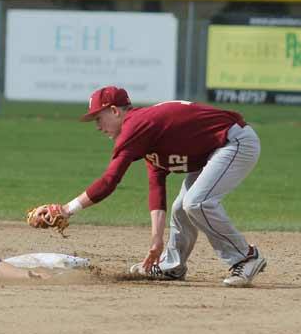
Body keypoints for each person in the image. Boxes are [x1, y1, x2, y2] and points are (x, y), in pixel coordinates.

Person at [35, 86, 265, 287]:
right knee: (180, 208)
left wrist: (66, 209)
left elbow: (109, 181)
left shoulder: (136, 126)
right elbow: (157, 187)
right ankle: (171, 266)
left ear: (115, 111)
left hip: (234, 142)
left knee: (197, 202)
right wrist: (156, 240)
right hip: (214, 149)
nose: (97, 126)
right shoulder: (144, 134)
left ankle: (245, 257)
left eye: (98, 118)